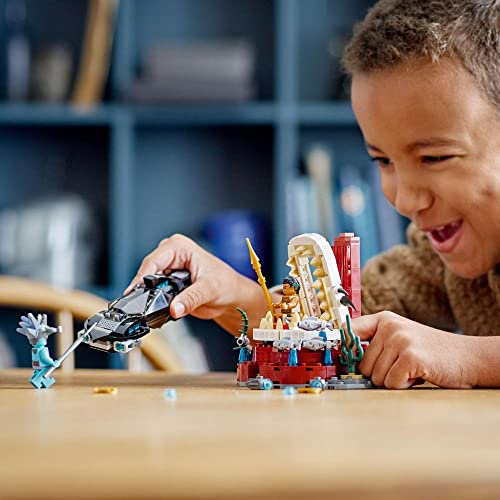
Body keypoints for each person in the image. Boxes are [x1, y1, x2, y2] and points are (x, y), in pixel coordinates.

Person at [126, 0, 500, 389]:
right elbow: (335, 326)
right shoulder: (436, 259)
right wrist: (231, 292)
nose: (404, 201)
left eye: (435, 157)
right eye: (383, 160)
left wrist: (469, 358)